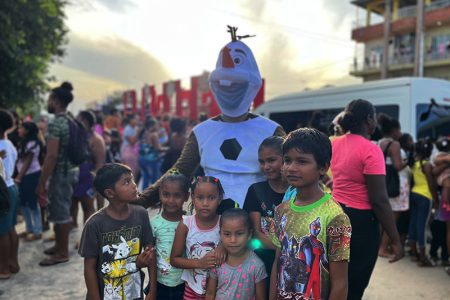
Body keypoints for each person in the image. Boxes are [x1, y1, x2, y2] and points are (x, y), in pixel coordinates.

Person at [138, 28, 285, 211]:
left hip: (259, 217)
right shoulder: (201, 132)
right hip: (209, 218)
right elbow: (180, 171)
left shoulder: (271, 130)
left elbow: (290, 170)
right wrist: (142, 201)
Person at [332, 99, 402, 300]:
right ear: (369, 120)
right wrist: (394, 239)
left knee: (335, 278)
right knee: (354, 284)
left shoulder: (334, 143)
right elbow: (379, 200)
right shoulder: (371, 150)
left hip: (334, 214)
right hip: (361, 224)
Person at [269, 128, 351, 300]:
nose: (291, 168)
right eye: (287, 160)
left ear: (323, 167)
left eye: (302, 161)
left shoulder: (335, 216)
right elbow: (278, 263)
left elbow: (340, 284)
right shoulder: (281, 211)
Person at [78, 163, 156, 300]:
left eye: (132, 179)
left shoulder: (141, 215)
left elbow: (150, 255)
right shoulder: (94, 224)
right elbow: (89, 268)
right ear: (109, 193)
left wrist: (152, 292)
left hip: (133, 293)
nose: (134, 185)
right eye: (126, 182)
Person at [36, 82, 80, 266]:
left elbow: (51, 155)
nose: (48, 102)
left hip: (61, 174)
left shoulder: (56, 124)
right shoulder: (70, 120)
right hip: (72, 171)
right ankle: (58, 246)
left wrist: (41, 182)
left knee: (60, 212)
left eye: (49, 99)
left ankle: (62, 252)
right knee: (62, 209)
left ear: (55, 101)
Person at [243, 136, 287, 285]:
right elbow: (256, 235)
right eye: (262, 162)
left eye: (271, 160)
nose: (265, 166)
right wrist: (287, 250)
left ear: (285, 159)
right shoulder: (256, 191)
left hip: (292, 268)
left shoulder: (296, 193)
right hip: (262, 267)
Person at [170, 176, 224, 299]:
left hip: (219, 289)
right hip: (192, 289)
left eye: (211, 198)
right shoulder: (186, 224)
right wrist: (199, 263)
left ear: (219, 199)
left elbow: (235, 244)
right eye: (200, 198)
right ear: (193, 198)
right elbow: (174, 260)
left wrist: (224, 247)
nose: (205, 203)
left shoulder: (224, 223)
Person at [206, 208, 267, 300]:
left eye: (239, 234)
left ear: (249, 234)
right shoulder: (218, 261)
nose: (233, 240)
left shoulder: (257, 266)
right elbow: (210, 294)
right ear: (220, 234)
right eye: (227, 234)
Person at [147, 173, 190, 300]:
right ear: (160, 194)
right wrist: (152, 289)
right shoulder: (154, 224)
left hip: (186, 284)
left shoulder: (190, 222)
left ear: (186, 196)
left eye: (177, 195)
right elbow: (151, 257)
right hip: (160, 284)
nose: (171, 200)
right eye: (166, 194)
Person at [377, 114, 409, 257]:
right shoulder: (394, 144)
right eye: (399, 129)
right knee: (392, 219)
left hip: (383, 183)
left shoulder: (380, 142)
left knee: (383, 218)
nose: (400, 133)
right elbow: (397, 166)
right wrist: (408, 160)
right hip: (395, 185)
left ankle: (379, 246)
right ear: (394, 130)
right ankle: (383, 248)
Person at [71, 110, 106, 227]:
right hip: (76, 177)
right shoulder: (79, 136)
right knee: (73, 203)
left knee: (88, 207)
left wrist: (93, 180)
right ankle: (73, 225)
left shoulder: (96, 139)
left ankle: (87, 236)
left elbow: (99, 163)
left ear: (84, 121)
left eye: (78, 119)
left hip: (88, 178)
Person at [408, 139, 438, 267]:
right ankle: (423, 257)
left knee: (414, 223)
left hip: (414, 193)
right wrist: (436, 199)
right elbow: (431, 184)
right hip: (425, 196)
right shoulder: (426, 164)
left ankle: (414, 252)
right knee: (422, 226)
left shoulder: (414, 162)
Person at [15, 122, 45, 241]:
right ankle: (29, 228)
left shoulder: (33, 144)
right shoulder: (24, 142)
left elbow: (27, 161)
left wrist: (19, 177)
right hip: (24, 176)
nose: (19, 129)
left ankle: (37, 231)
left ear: (27, 130)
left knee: (32, 203)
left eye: (21, 128)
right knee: (23, 203)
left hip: (31, 175)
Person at [0, 109, 19, 279]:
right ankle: (13, 262)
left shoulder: (1, 146)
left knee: (2, 232)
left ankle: (4, 268)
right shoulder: (9, 144)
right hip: (11, 186)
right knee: (10, 228)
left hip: (2, 189)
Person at [138, 119, 165, 189]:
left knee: (145, 178)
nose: (158, 126)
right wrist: (168, 149)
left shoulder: (143, 133)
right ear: (152, 126)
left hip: (142, 159)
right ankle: (153, 197)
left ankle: (144, 195)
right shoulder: (154, 135)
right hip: (152, 160)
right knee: (155, 180)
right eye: (156, 125)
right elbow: (158, 149)